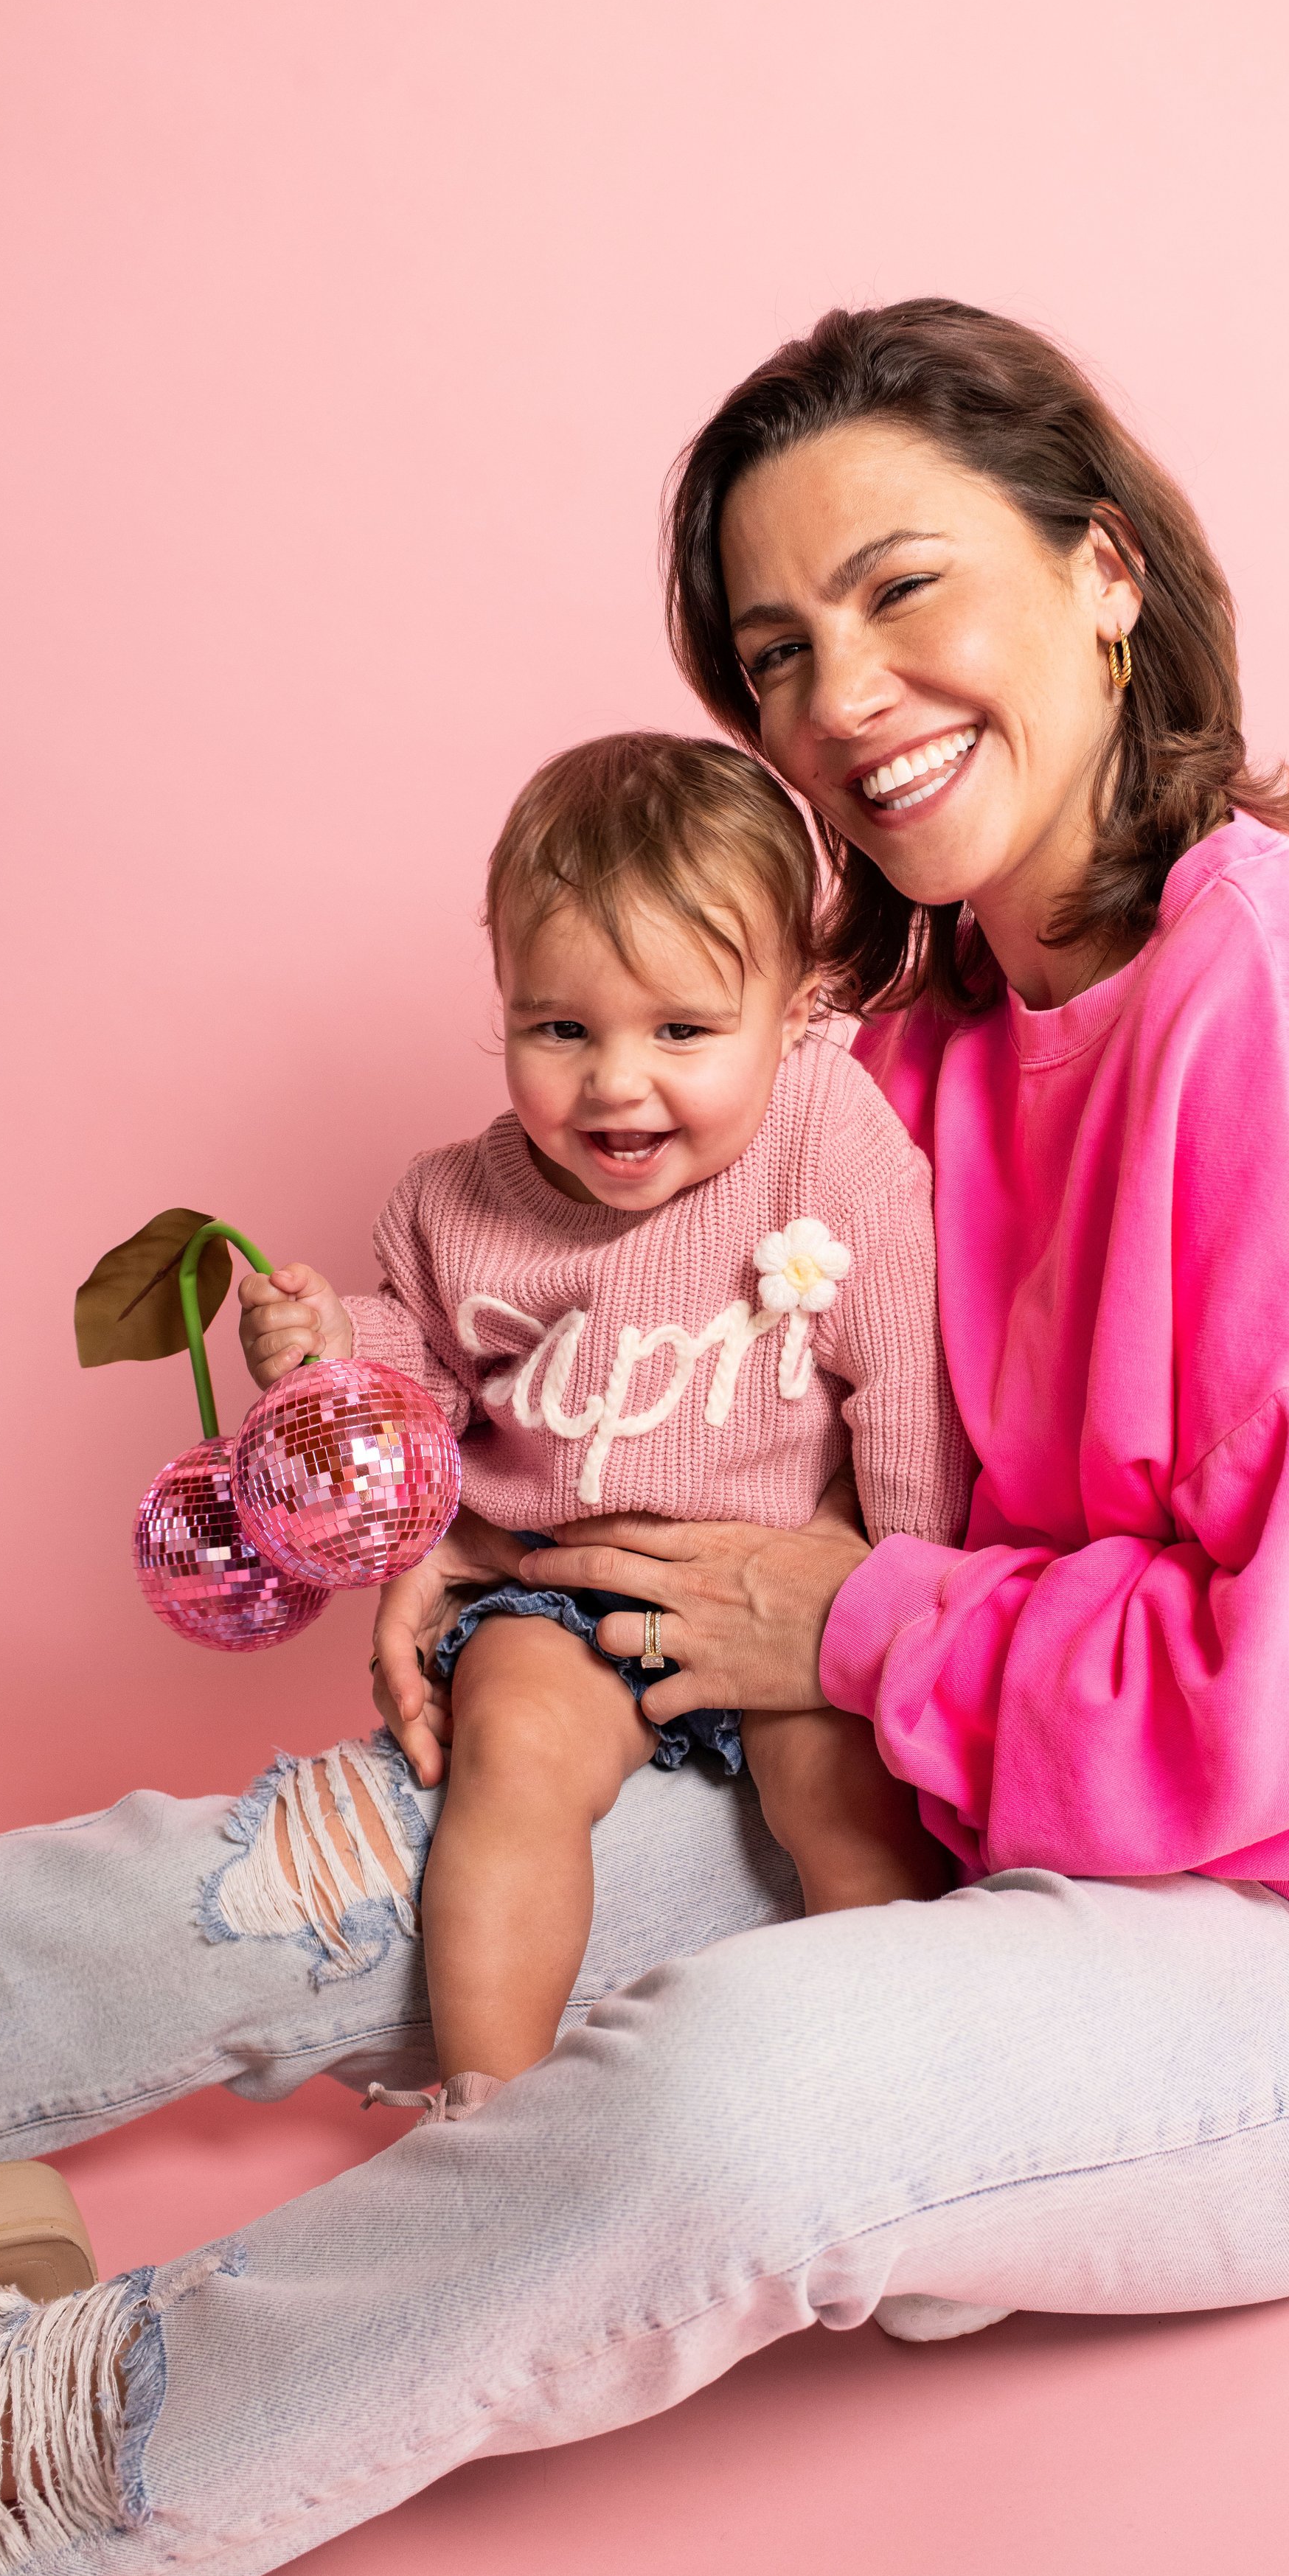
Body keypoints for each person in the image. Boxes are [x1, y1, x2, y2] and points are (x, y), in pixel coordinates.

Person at [0, 301, 1289, 2576]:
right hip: (969, 1782)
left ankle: (23, 2402)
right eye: (777, 644)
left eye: (907, 589)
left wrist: (851, 1625)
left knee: (737, 2089)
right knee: (305, 1868)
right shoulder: (903, 1046)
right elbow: (675, 1378)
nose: (843, 695)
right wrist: (458, 1542)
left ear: (1103, 572)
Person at [234, 731, 965, 2114]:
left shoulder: (825, 1132)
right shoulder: (459, 1199)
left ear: (796, 1008)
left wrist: (903, 1578)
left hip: (789, 1590)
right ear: (504, 1003)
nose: (615, 1084)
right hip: (561, 1589)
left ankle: (892, 2111)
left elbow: (904, 1375)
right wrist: (328, 1350)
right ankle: (489, 2105)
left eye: (683, 1031)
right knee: (506, 1760)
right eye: (559, 1029)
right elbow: (422, 1379)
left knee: (855, 1809)